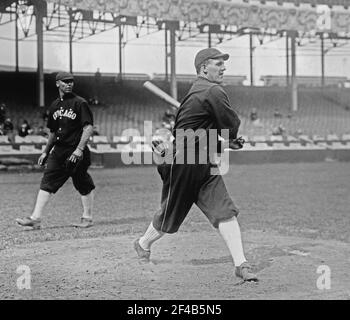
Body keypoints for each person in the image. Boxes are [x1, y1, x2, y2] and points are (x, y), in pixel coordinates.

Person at [134, 48, 258, 282]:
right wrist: (229, 136)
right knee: (169, 218)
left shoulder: (199, 90)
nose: (223, 67)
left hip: (202, 162)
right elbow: (231, 124)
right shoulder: (213, 90)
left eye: (224, 63)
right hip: (183, 162)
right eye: (218, 63)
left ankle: (241, 264)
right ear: (203, 68)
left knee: (224, 211)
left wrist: (224, 143)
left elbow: (200, 135)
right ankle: (142, 243)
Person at [16, 71, 95, 229]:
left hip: (75, 151)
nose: (69, 84)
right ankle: (36, 218)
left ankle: (87, 217)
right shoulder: (54, 105)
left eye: (71, 81)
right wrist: (46, 151)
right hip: (59, 150)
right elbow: (52, 132)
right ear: (57, 83)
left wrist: (79, 150)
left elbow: (88, 127)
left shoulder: (80, 103)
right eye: (65, 81)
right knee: (47, 181)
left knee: (82, 182)